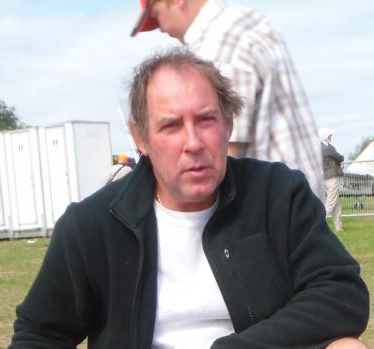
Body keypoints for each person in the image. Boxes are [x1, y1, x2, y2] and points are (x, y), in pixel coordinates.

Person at [0, 49, 374, 349]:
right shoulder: (92, 225)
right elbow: (43, 330)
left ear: (228, 123)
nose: (193, 142)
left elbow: (341, 294)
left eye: (206, 120)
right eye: (170, 126)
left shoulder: (277, 194)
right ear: (140, 137)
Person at [131, 0, 324, 200]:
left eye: (157, 15)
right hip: (296, 196)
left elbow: (224, 151)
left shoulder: (219, 42)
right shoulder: (251, 22)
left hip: (267, 203)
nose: (161, 29)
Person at [320, 128, 344, 231]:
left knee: (335, 203)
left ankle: (339, 227)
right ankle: (318, 223)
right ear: (326, 137)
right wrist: (342, 156)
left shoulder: (319, 147)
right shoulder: (329, 148)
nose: (331, 137)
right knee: (331, 202)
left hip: (324, 178)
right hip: (332, 177)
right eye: (330, 135)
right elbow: (340, 158)